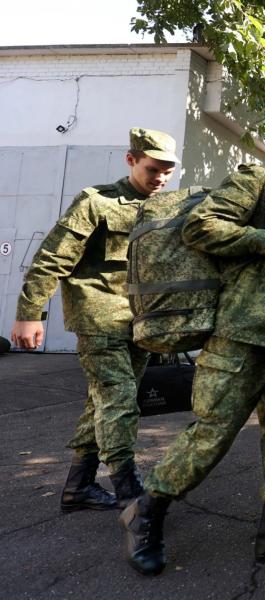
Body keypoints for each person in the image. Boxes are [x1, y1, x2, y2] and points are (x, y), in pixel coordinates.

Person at [119, 116, 265, 576]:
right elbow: (200, 227)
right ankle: (146, 513)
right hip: (241, 337)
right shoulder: (255, 182)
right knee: (212, 435)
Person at [10, 128, 179, 511]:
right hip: (98, 316)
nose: (161, 178)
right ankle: (129, 490)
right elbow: (51, 259)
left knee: (102, 401)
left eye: (168, 171)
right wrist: (29, 314)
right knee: (119, 399)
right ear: (131, 159)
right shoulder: (95, 201)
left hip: (140, 320)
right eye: (154, 169)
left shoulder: (163, 208)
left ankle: (78, 487)